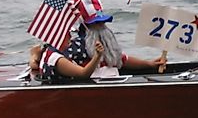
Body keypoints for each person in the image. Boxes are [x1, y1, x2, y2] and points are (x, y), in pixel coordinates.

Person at [33, 11, 166, 83]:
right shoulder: (66, 53)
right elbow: (83, 74)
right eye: (97, 25)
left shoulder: (99, 44)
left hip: (111, 82)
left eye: (103, 24)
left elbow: (121, 59)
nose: (103, 29)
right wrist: (97, 57)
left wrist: (149, 64)